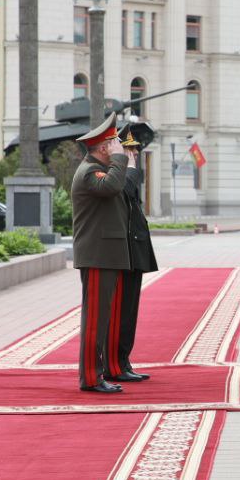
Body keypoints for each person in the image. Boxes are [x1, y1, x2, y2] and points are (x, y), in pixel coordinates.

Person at [70, 113, 131, 393]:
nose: (119, 147)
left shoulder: (98, 169)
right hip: (97, 254)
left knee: (102, 318)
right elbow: (112, 186)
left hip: (105, 253)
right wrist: (121, 160)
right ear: (103, 148)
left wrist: (120, 161)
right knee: (95, 319)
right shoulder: (89, 172)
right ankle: (92, 378)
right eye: (115, 143)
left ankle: (99, 372)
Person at [113, 120, 158, 382]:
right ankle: (118, 362)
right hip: (123, 253)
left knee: (130, 311)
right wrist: (128, 167)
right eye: (130, 148)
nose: (136, 153)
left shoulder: (126, 172)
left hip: (134, 250)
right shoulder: (119, 173)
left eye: (137, 149)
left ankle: (124, 360)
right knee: (122, 311)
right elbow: (125, 192)